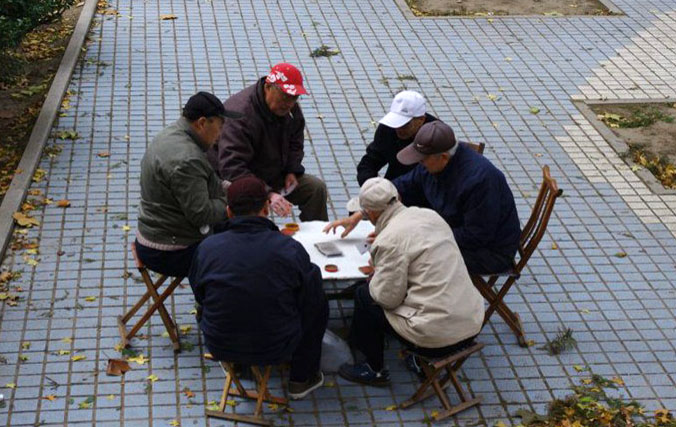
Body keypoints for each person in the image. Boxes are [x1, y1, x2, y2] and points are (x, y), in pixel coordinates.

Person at [188, 176, 328, 400]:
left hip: (220, 344)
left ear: (229, 212)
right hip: (278, 346)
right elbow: (309, 296)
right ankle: (301, 378)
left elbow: (199, 293)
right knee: (318, 303)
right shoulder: (289, 248)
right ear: (266, 208)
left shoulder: (207, 248)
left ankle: (238, 366)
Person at [338, 178, 484, 386]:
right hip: (472, 321)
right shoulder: (430, 216)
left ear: (370, 214)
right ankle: (413, 359)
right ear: (398, 198)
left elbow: (387, 299)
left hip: (435, 338)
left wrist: (378, 273)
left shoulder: (389, 240)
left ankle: (374, 369)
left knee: (365, 295)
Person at [325, 121, 521, 275]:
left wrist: (412, 237)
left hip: (487, 252)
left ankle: (403, 308)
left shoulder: (480, 181)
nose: (420, 163)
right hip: (450, 231)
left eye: (423, 159)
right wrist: (363, 213)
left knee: (403, 257)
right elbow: (400, 187)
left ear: (443, 157)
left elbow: (476, 236)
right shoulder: (432, 165)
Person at [135, 91, 240, 278]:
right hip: (169, 250)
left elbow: (208, 182)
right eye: (219, 126)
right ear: (201, 123)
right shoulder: (188, 158)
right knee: (242, 256)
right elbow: (202, 214)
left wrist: (232, 190)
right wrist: (230, 203)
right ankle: (215, 304)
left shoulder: (172, 134)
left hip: (156, 231)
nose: (221, 134)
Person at [208, 63, 328, 221]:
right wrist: (267, 193)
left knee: (315, 188)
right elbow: (232, 167)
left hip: (271, 173)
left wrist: (291, 170)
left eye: (294, 98)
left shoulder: (289, 108)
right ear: (269, 87)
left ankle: (318, 236)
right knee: (249, 208)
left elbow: (296, 142)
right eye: (285, 97)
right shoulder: (240, 115)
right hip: (235, 181)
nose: (290, 104)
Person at [356, 90, 437, 186]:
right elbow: (372, 160)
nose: (398, 129)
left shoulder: (437, 136)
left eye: (405, 124)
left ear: (421, 120)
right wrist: (370, 184)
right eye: (395, 122)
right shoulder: (388, 128)